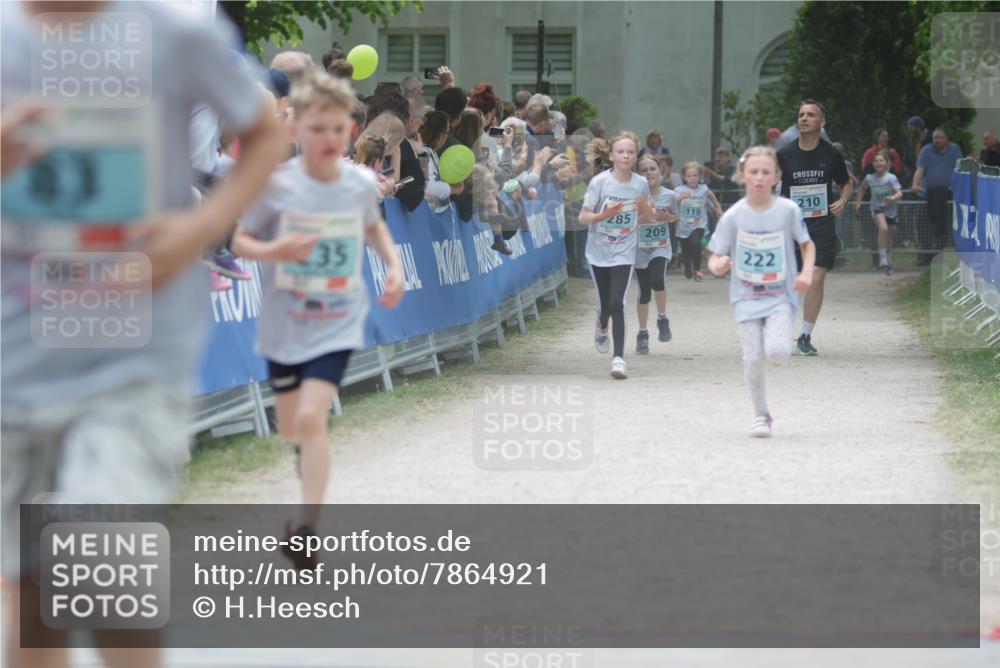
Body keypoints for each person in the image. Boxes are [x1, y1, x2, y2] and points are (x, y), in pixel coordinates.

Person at [1, 3, 286, 667]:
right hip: (16, 359)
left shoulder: (175, 34)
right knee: (31, 595)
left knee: (102, 557)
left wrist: (199, 229)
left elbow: (265, 131)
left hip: (134, 355)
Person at [232, 73, 404, 569]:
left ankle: (307, 530)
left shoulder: (358, 184)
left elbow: (373, 227)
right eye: (316, 129)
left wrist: (393, 265)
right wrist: (276, 250)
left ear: (350, 131)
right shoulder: (276, 187)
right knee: (294, 427)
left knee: (311, 419)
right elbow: (240, 241)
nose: (327, 138)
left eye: (336, 129)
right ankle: (304, 456)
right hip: (284, 325)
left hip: (337, 320)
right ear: (294, 131)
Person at [707, 146, 815, 437]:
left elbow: (807, 245)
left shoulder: (788, 211)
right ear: (742, 175)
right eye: (753, 172)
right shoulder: (733, 216)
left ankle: (775, 339)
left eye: (765, 172)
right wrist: (719, 265)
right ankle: (761, 415)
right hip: (745, 297)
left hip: (780, 295)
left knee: (777, 353)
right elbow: (715, 257)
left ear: (776, 177)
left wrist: (806, 272)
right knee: (753, 358)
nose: (759, 177)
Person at [578, 131, 656, 380]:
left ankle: (619, 358)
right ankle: (601, 323)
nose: (626, 155)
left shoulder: (640, 184)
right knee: (605, 305)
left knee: (617, 302)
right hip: (598, 251)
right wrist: (604, 216)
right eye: (621, 151)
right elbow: (583, 217)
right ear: (611, 155)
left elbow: (646, 218)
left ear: (635, 156)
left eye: (630, 152)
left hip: (624, 251)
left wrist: (647, 213)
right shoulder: (600, 182)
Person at [776, 99, 851, 356]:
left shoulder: (832, 155)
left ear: (822, 122)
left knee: (817, 276)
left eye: (810, 115)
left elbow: (846, 183)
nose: (804, 119)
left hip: (821, 224)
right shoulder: (784, 155)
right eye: (801, 115)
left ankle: (805, 336)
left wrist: (843, 200)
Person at [634, 155, 678, 353]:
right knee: (644, 292)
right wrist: (642, 217)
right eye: (644, 170)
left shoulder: (669, 195)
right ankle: (642, 333)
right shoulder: (634, 197)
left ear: (661, 171)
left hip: (660, 246)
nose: (649, 173)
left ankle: (662, 318)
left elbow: (675, 216)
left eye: (653, 168)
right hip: (640, 249)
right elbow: (628, 221)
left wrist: (669, 217)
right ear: (637, 174)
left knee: (657, 280)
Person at [911, 127, 964, 266]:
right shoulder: (926, 150)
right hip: (926, 195)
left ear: (947, 138)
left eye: (940, 137)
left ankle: (939, 254)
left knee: (942, 226)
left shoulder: (955, 149)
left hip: (948, 196)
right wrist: (915, 184)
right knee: (923, 226)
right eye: (935, 137)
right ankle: (925, 254)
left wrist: (962, 187)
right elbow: (920, 170)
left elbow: (961, 169)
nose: (937, 140)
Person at [854, 150, 903, 276]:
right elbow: (861, 189)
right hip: (877, 209)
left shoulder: (891, 178)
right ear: (873, 164)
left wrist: (892, 198)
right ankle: (882, 257)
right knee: (883, 228)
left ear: (887, 163)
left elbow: (899, 193)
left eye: (881, 160)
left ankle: (887, 260)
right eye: (876, 161)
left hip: (891, 210)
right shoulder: (869, 178)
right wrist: (858, 203)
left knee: (888, 237)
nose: (878, 163)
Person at [675, 161, 724, 281]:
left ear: (700, 177)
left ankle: (697, 271)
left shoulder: (703, 189)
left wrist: (717, 207)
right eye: (689, 176)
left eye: (695, 175)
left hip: (699, 224)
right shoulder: (679, 190)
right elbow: (672, 203)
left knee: (695, 242)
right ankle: (687, 266)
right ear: (684, 177)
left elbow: (712, 197)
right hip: (683, 226)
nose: (692, 178)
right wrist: (681, 198)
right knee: (686, 250)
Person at [902, 115, 930, 187]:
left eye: (910, 128)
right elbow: (905, 162)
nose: (908, 131)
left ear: (918, 127)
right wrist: (910, 175)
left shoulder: (931, 140)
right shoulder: (910, 143)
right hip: (914, 179)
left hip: (929, 179)